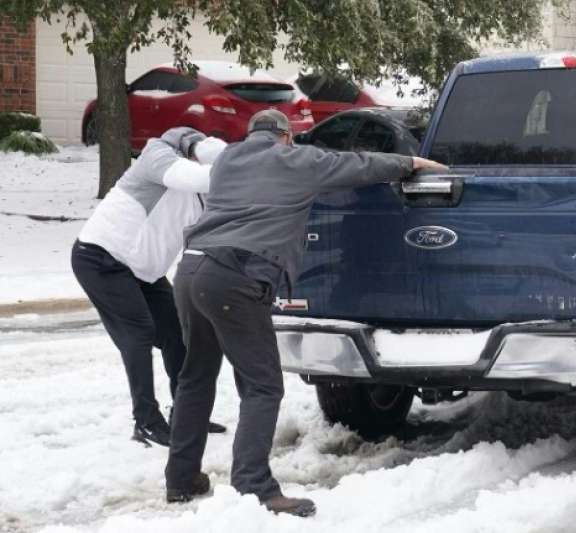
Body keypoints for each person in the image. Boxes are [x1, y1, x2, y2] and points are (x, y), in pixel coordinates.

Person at [164, 110, 447, 516]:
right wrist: (410, 163)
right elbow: (356, 165)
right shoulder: (296, 159)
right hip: (237, 275)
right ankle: (254, 487)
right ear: (286, 137)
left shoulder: (228, 159)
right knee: (262, 386)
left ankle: (180, 479)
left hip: (191, 269)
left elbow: (200, 151)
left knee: (195, 378)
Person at [72, 127, 229, 447]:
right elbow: (198, 177)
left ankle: (186, 412)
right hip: (101, 258)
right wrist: (240, 166)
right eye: (196, 149)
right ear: (188, 147)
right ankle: (145, 420)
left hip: (142, 271)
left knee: (177, 336)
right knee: (138, 333)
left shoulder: (203, 191)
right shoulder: (157, 155)